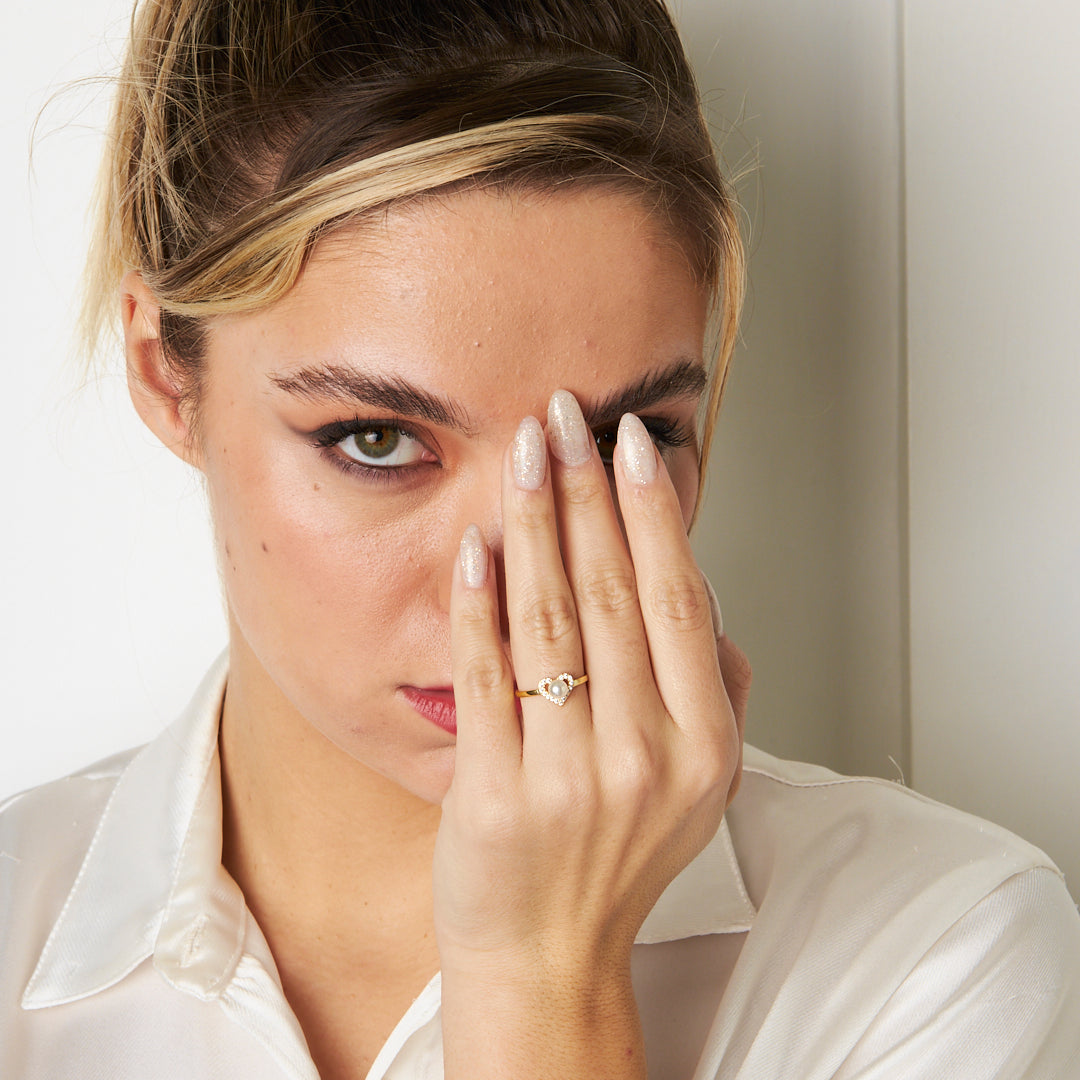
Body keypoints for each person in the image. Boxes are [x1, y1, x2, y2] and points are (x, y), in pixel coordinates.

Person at [2, 1, 1079, 1077]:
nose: (518, 596)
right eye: (377, 440)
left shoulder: (927, 954)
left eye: (621, 443)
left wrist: (542, 975)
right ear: (165, 374)